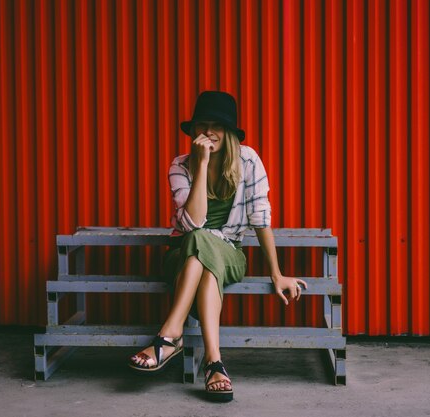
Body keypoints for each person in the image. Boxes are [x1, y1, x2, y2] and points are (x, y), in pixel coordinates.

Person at [128, 91, 308, 402]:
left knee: (206, 244)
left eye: (216, 126)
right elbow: (195, 223)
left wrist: (277, 274)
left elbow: (260, 218)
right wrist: (201, 164)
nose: (207, 132)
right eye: (202, 125)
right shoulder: (181, 166)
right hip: (182, 256)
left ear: (229, 133)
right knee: (200, 243)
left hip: (231, 255)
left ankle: (170, 335)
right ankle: (215, 363)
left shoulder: (248, 161)